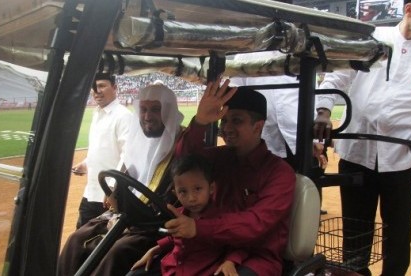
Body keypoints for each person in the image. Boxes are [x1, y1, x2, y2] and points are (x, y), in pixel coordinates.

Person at [314, 1, 411, 275]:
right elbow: (336, 78)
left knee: (398, 234)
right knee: (355, 233)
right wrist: (323, 111)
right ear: (410, 10)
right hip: (356, 153)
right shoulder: (369, 39)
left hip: (401, 160)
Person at [166, 79, 296, 276]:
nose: (226, 128)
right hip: (212, 248)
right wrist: (200, 122)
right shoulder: (218, 157)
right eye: (224, 120)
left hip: (256, 256)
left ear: (257, 126)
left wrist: (199, 228)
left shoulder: (279, 173)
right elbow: (184, 163)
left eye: (236, 120)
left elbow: (255, 224)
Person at [58, 82, 184, 276]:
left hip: (153, 224)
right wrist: (115, 194)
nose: (147, 116)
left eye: (155, 110)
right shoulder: (138, 139)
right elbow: (126, 174)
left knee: (117, 252)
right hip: (123, 215)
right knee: (77, 239)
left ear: (168, 111)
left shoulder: (180, 143)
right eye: (143, 109)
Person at [231, 51, 328, 214]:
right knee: (269, 188)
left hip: (300, 130)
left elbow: (313, 90)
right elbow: (236, 92)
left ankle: (308, 231)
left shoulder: (299, 50)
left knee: (308, 188)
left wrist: (318, 141)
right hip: (265, 134)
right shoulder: (245, 55)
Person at [129, 154, 247, 276]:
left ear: (211, 188)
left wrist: (230, 261)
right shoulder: (179, 213)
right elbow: (174, 237)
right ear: (175, 193)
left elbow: (239, 242)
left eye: (197, 189)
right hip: (172, 266)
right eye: (183, 191)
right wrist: (154, 250)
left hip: (199, 270)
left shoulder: (221, 217)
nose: (191, 198)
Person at [72, 73, 132, 228]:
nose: (97, 90)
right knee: (81, 239)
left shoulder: (123, 116)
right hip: (91, 191)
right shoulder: (97, 114)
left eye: (102, 86)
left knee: (97, 243)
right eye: (94, 87)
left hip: (108, 197)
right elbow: (101, 149)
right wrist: (85, 164)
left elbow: (128, 155)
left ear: (115, 88)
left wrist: (111, 187)